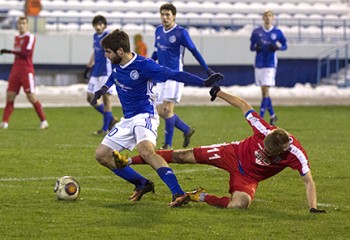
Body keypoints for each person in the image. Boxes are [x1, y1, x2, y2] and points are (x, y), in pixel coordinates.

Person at [113, 86, 326, 213]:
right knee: (183, 156)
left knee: (239, 205)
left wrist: (313, 208)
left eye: (270, 154)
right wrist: (219, 92)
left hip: (248, 177)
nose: (265, 153)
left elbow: (309, 181)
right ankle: (128, 160)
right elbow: (243, 104)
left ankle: (198, 196)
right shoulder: (263, 128)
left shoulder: (296, 154)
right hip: (232, 153)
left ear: (283, 150)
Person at [90, 29, 223, 207]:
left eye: (108, 52)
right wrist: (103, 89)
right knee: (102, 155)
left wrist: (204, 82)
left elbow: (174, 74)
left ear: (120, 51)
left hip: (145, 115)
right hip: (127, 119)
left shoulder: (145, 65)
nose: (106, 55)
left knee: (146, 152)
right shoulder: (117, 62)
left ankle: (178, 193)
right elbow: (114, 76)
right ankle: (141, 183)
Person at [151, 3, 216, 149]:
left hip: (176, 75)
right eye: (162, 14)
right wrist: (148, 65)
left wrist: (208, 70)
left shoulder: (181, 33)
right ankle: (186, 129)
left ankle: (167, 145)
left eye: (168, 15)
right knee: (159, 110)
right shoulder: (158, 31)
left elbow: (194, 51)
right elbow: (157, 52)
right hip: (160, 75)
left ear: (174, 16)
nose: (164, 17)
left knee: (167, 110)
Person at [0, 16, 48, 129]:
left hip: (26, 70)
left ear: (27, 25)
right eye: (19, 23)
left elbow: (26, 53)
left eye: (23, 23)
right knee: (10, 96)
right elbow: (18, 53)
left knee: (31, 97)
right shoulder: (17, 37)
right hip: (15, 70)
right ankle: (5, 122)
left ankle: (44, 120)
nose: (21, 25)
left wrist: (9, 51)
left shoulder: (30, 37)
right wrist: (12, 52)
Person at [250, 10, 287, 126]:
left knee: (266, 89)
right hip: (259, 64)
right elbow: (251, 47)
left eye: (270, 15)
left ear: (273, 18)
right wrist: (257, 48)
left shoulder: (277, 32)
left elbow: (285, 45)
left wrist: (277, 48)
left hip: (270, 64)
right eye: (266, 15)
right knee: (264, 92)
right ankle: (272, 115)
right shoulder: (256, 32)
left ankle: (260, 119)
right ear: (263, 18)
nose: (268, 18)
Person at [83, 15, 118, 135]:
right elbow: (95, 52)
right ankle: (111, 119)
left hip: (106, 72)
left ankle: (104, 129)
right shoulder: (95, 36)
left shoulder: (108, 36)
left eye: (100, 24)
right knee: (90, 97)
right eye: (96, 25)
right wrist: (88, 66)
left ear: (104, 25)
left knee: (106, 99)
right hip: (96, 71)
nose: (98, 27)